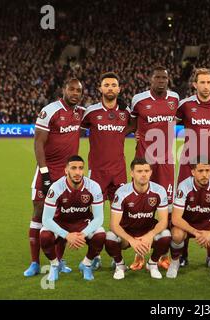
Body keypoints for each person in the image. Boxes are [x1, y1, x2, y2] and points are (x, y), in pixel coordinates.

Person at [24, 78, 85, 277]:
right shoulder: (49, 111)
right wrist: (45, 174)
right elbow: (38, 143)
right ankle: (34, 263)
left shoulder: (80, 113)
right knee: (39, 213)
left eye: (78, 90)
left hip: (68, 175)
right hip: (48, 171)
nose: (75, 93)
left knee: (63, 217)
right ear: (64, 90)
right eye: (72, 89)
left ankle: (58, 261)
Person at [176, 68, 210, 267]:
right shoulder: (186, 105)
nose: (206, 86)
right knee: (184, 208)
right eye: (202, 82)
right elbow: (167, 121)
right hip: (188, 163)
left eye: (209, 82)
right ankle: (182, 254)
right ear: (195, 84)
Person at [81, 72, 132, 270]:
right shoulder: (91, 112)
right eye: (106, 85)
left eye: (113, 85)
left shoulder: (125, 113)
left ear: (119, 89)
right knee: (94, 216)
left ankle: (115, 255)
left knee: (119, 215)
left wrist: (126, 133)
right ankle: (94, 255)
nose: (110, 88)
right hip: (97, 172)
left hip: (119, 171)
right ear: (100, 89)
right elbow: (77, 127)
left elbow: (135, 124)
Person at [130, 66, 179, 270]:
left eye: (164, 77)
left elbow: (179, 119)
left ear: (168, 80)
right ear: (151, 79)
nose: (161, 80)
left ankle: (163, 255)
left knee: (166, 208)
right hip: (144, 161)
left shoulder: (175, 99)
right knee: (141, 208)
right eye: (157, 77)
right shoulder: (138, 100)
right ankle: (139, 254)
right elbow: (132, 124)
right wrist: (136, 134)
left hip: (166, 162)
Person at [39, 155, 106, 281]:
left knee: (101, 235)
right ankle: (55, 265)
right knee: (44, 236)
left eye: (80, 168)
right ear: (66, 170)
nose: (77, 172)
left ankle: (86, 264)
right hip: (61, 223)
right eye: (73, 168)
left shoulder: (93, 186)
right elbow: (46, 219)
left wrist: (82, 234)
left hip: (83, 224)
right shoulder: (56, 188)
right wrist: (67, 235)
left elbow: (99, 218)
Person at [104, 158, 171, 280]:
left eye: (146, 171)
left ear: (151, 172)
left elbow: (163, 221)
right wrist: (131, 240)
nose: (143, 174)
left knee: (166, 234)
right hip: (128, 232)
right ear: (132, 173)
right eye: (139, 171)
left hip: (148, 231)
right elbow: (114, 224)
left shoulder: (159, 190)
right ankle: (120, 265)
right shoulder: (122, 192)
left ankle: (152, 264)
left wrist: (150, 235)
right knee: (109, 237)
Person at [166, 157, 210, 278]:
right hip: (188, 223)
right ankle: (175, 262)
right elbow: (176, 218)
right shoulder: (184, 186)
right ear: (193, 172)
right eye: (200, 171)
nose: (205, 175)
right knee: (176, 234)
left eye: (207, 170)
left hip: (208, 223)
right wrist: (196, 233)